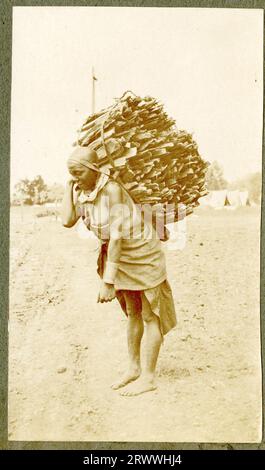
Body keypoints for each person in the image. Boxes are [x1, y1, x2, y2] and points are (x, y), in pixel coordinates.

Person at [61, 146, 177, 396]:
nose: (76, 178)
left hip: (141, 254)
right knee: (133, 312)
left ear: (94, 169)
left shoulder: (111, 190)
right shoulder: (83, 192)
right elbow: (67, 220)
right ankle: (133, 368)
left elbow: (116, 237)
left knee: (149, 314)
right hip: (119, 256)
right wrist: (68, 187)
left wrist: (108, 281)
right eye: (71, 173)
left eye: (78, 172)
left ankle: (148, 377)